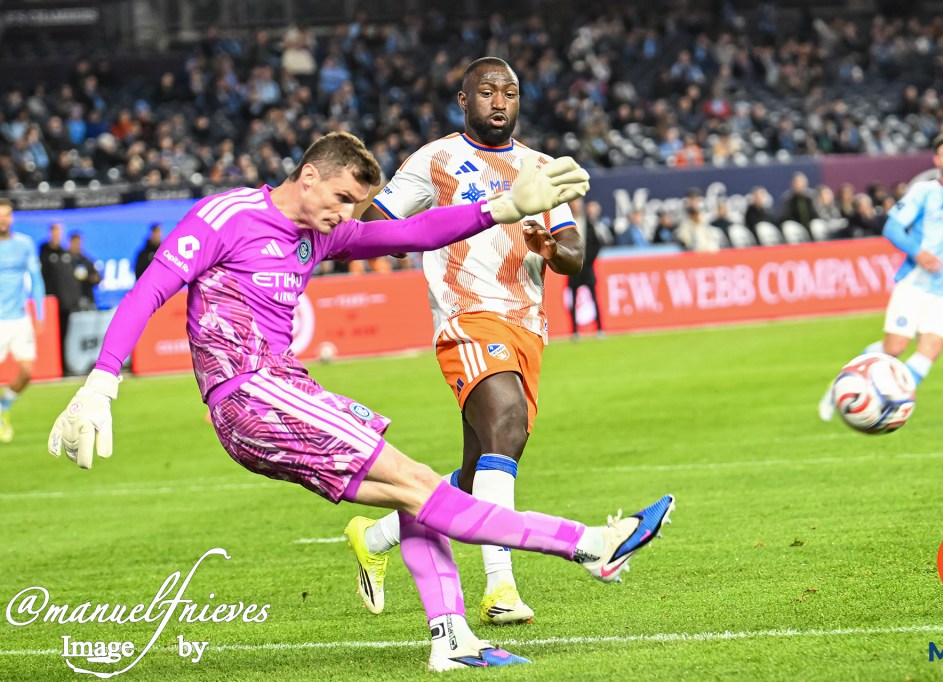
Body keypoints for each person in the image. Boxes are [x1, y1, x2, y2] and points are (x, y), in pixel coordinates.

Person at [48, 131, 674, 672]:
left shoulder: (322, 234)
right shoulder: (227, 216)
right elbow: (151, 288)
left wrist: (502, 206)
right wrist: (103, 381)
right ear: (308, 175)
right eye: (343, 197)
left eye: (356, 203)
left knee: (415, 491)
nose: (348, 214)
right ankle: (591, 545)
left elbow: (412, 231)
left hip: (283, 391)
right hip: (251, 391)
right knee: (418, 482)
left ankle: (452, 640)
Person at [350, 57, 588, 627]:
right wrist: (416, 233)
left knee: (475, 469)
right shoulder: (435, 160)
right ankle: (500, 587)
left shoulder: (540, 167)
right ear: (464, 100)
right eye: (487, 92)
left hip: (525, 325)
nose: (499, 102)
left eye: (509, 91)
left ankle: (377, 535)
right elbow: (372, 224)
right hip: (467, 318)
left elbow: (575, 253)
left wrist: (549, 247)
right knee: (506, 425)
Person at [819, 132, 943, 421]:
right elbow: (892, 228)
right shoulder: (924, 192)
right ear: (937, 160)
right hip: (915, 282)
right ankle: (844, 383)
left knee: (930, 350)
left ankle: (893, 404)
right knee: (895, 348)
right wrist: (918, 253)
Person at [0, 198, 45, 442]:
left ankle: (4, 404)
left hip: (19, 318)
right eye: (0, 215)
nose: (3, 220)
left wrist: (39, 313)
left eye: (6, 215)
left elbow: (36, 280)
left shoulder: (24, 244)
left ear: (12, 217)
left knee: (27, 371)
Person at [568, 198, 611, 339]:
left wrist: (589, 261)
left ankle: (599, 329)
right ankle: (574, 331)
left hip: (587, 267)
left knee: (594, 297)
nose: (576, 206)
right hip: (573, 267)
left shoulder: (588, 223)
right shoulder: (566, 223)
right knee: (573, 299)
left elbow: (597, 243)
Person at [68, 232, 101, 310]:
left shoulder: (86, 261)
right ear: (70, 243)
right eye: (75, 243)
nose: (77, 246)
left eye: (79, 243)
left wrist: (93, 278)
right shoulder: (65, 260)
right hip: (71, 301)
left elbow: (97, 278)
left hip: (86, 298)